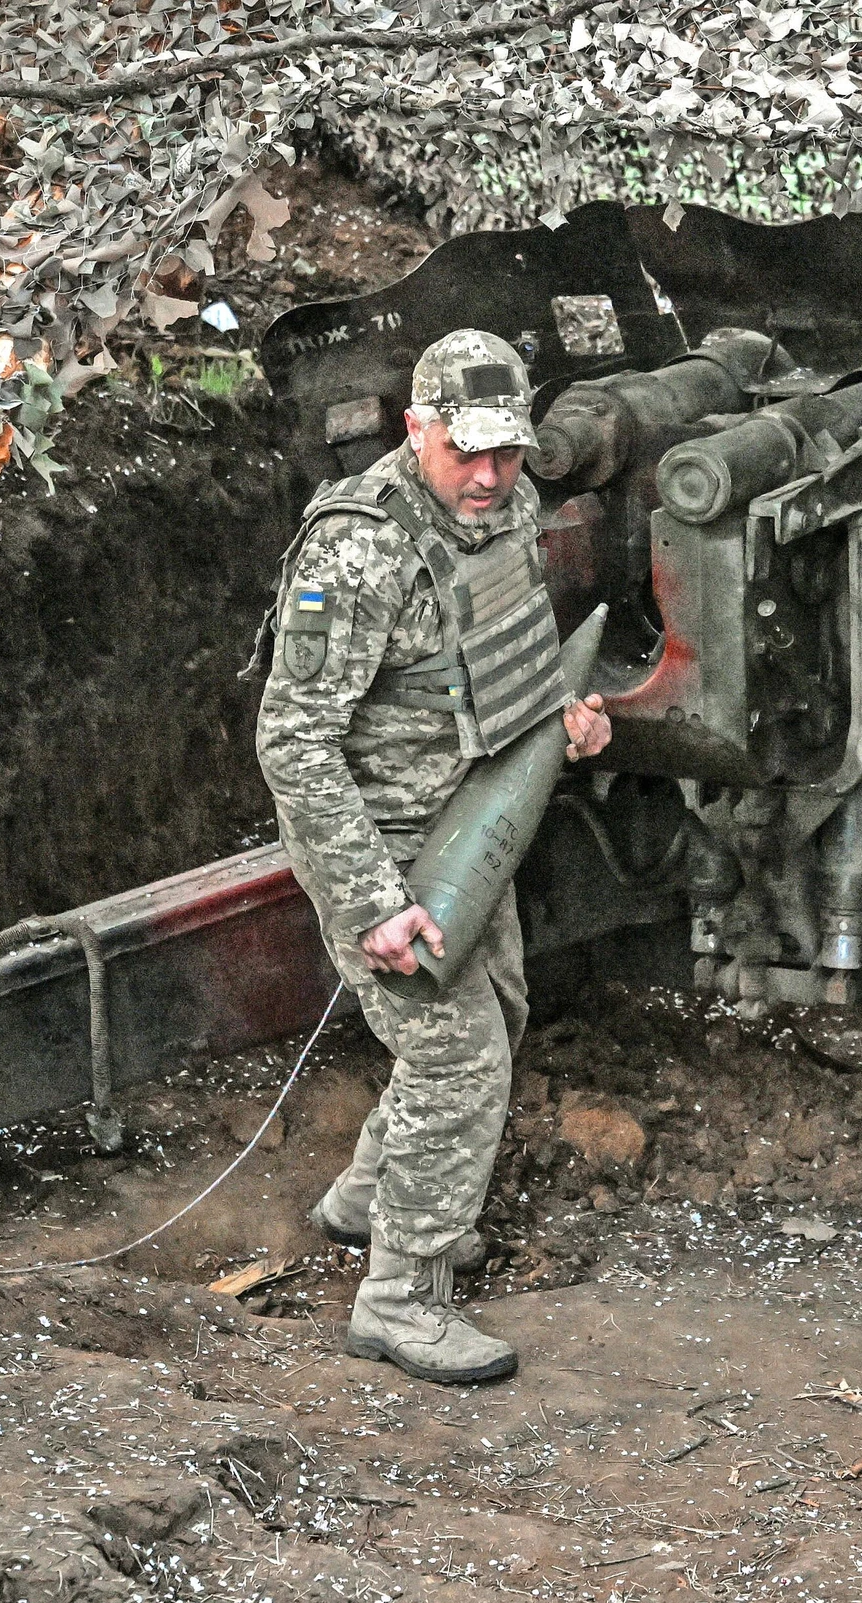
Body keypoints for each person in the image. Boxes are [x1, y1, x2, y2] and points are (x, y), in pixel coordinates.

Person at [254, 329, 612, 1385]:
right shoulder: (359, 549)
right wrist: (371, 903)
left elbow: (500, 658)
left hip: (467, 826)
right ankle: (402, 1300)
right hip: (382, 845)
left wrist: (566, 717)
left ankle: (369, 1201)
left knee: (494, 1013)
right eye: (468, 452)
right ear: (417, 430)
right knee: (460, 1060)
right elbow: (293, 741)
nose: (493, 476)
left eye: (508, 452)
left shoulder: (501, 504)